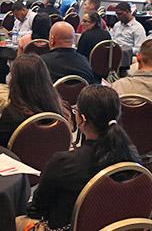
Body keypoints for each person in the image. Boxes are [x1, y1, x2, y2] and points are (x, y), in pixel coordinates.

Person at [16, 85, 140, 231]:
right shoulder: (133, 159)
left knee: (14, 220)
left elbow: (36, 211)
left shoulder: (63, 162)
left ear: (82, 119)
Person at [0, 54, 65, 147]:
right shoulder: (58, 109)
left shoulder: (11, 114)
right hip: (52, 160)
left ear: (15, 81)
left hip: (16, 160)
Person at [110, 2, 147, 68]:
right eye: (117, 14)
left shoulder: (138, 28)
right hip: (114, 52)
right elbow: (112, 38)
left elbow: (140, 49)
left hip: (128, 56)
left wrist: (125, 49)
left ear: (127, 12)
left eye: (120, 14)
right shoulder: (117, 25)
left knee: (123, 53)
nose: (118, 17)